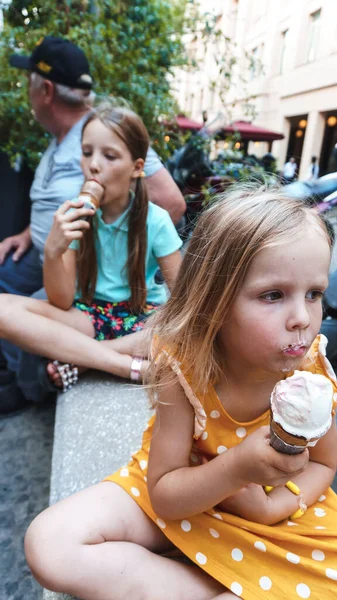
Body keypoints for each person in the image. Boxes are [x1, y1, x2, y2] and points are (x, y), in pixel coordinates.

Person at [23, 185, 337, 599]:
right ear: (213, 303)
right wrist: (237, 469)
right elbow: (166, 495)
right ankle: (220, 582)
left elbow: (325, 464)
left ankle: (233, 577)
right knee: (49, 543)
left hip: (274, 517)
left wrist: (280, 506)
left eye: (314, 294)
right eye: (273, 295)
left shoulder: (312, 368)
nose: (301, 318)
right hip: (188, 494)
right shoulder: (184, 368)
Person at [0, 35, 185, 411]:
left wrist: (162, 324)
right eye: (87, 154)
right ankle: (115, 363)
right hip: (91, 315)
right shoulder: (76, 216)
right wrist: (53, 249)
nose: (94, 165)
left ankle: (83, 360)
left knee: (166, 331)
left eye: (108, 156)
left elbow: (183, 298)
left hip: (140, 321)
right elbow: (62, 300)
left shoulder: (156, 220)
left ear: (137, 169)